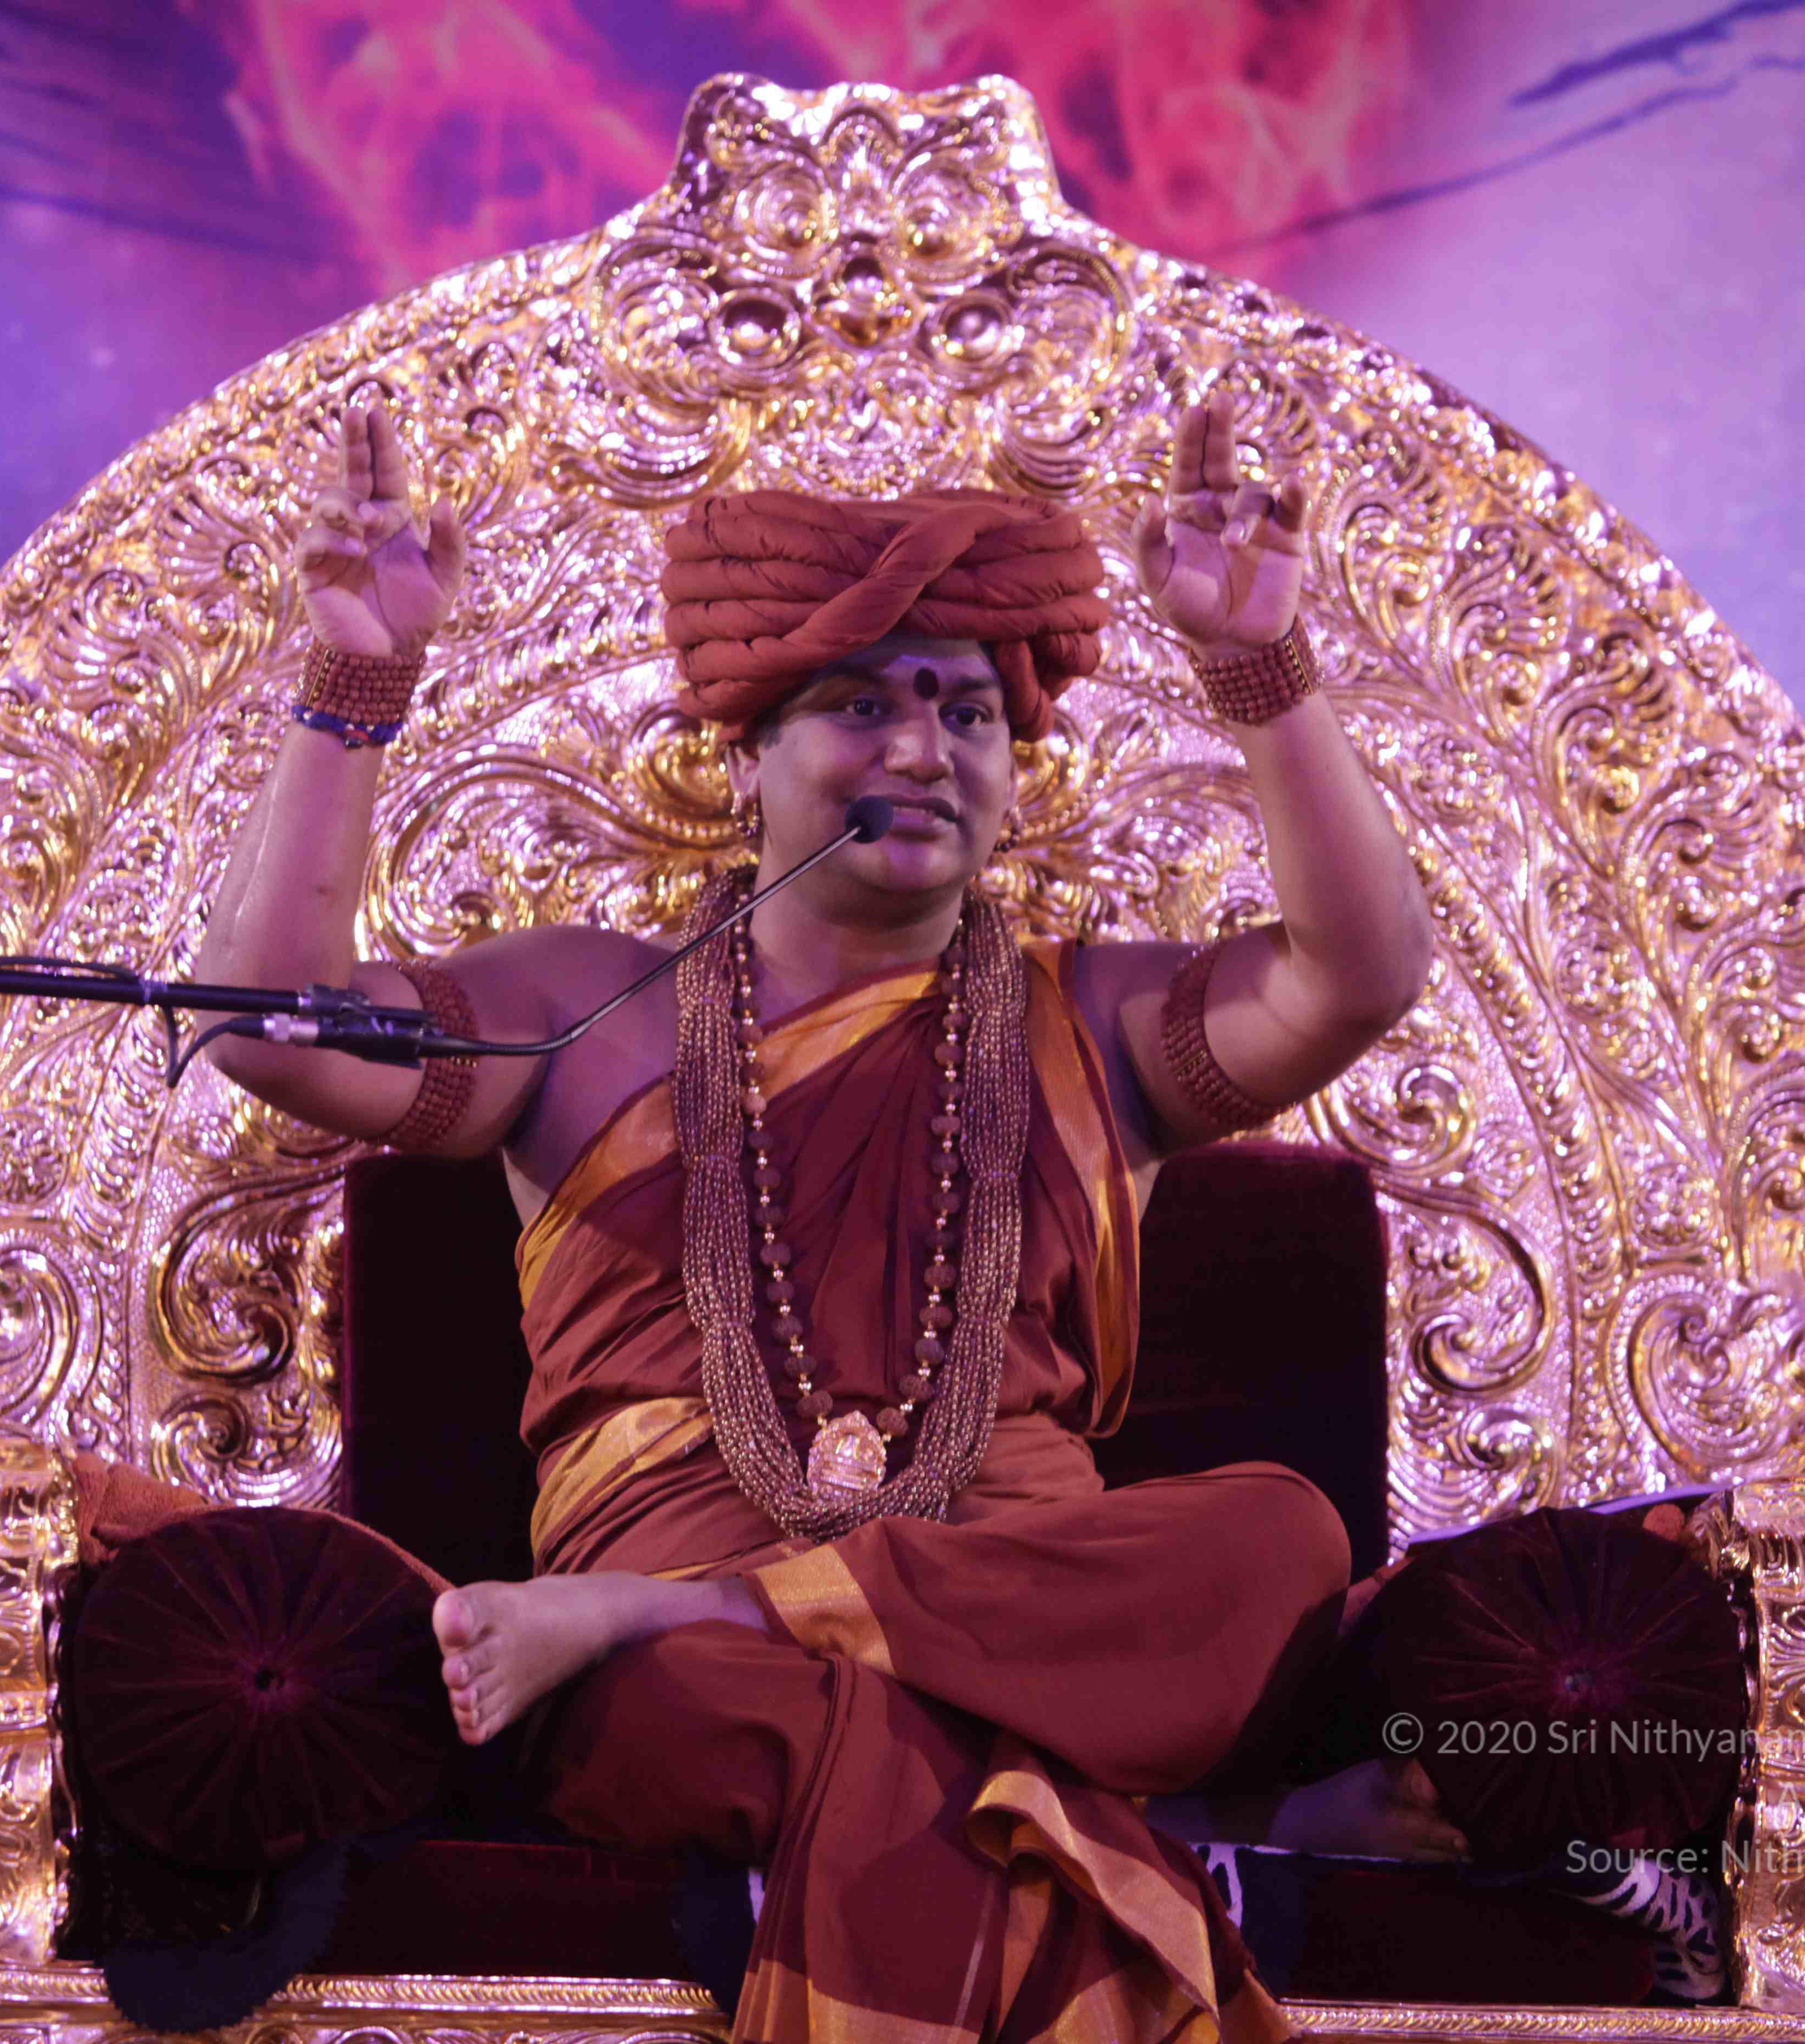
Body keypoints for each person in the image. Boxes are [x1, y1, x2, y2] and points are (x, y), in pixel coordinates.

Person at [192, 394, 1451, 2044]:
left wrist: (1262, 671)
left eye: (968, 712)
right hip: (720, 1678)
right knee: (725, 1705)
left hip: (1000, 1588)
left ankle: (675, 1618)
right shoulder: (590, 1011)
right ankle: (1162, 1825)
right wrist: (354, 685)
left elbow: (1363, 975)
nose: (925, 751)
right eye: (862, 704)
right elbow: (271, 1028)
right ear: (748, 757)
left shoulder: (1097, 1025)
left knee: (1276, 1544)